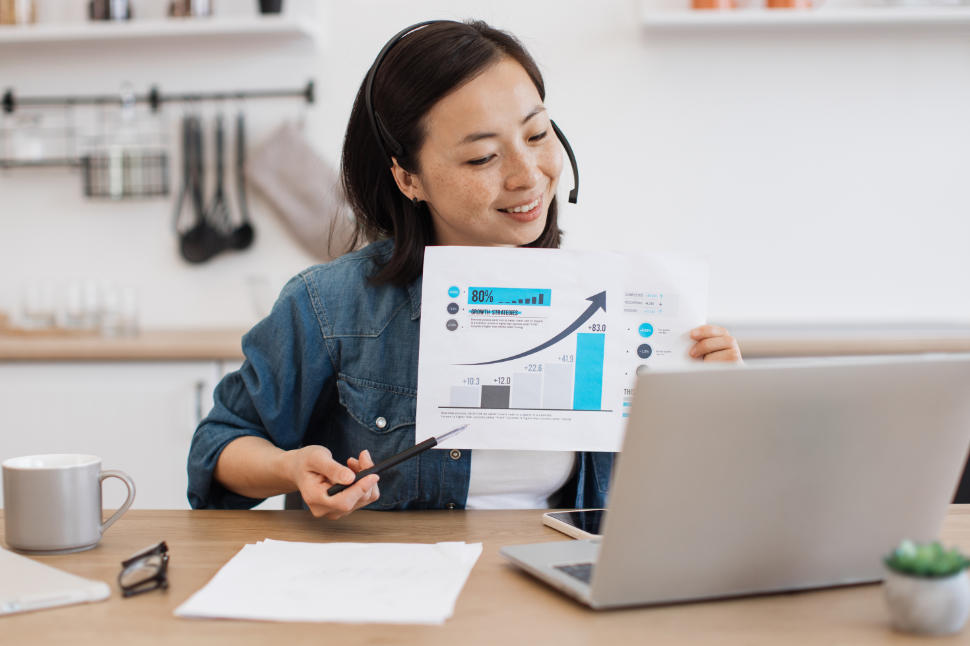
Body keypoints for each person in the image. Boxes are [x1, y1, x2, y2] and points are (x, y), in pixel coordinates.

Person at [187, 20, 742, 518]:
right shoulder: (331, 303)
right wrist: (289, 468)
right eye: (482, 157)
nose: (527, 176)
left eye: (537, 134)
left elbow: (676, 500)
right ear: (409, 179)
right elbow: (219, 444)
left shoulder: (615, 299)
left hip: (557, 590)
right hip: (393, 597)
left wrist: (712, 406)